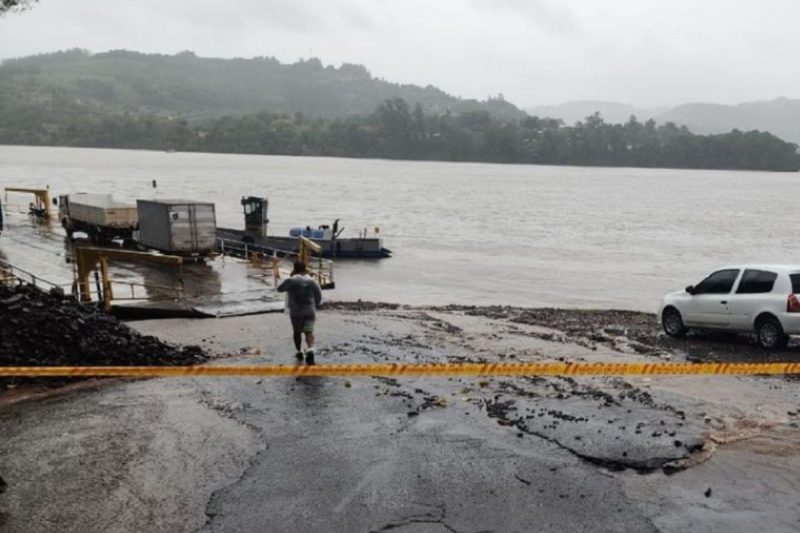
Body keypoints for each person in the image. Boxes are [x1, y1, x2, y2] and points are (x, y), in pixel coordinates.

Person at [277, 260, 322, 364]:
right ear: (305, 268)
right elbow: (319, 297)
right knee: (309, 332)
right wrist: (314, 306)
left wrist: (289, 278)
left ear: (294, 268)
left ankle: (300, 351)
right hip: (310, 311)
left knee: (297, 332)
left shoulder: (291, 280)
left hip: (296, 312)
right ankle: (310, 349)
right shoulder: (312, 281)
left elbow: (279, 289)